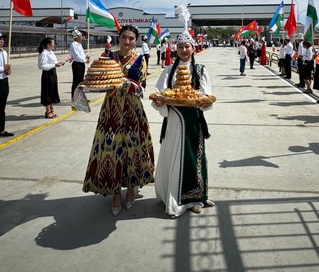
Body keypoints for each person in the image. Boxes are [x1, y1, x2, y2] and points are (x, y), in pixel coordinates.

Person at [82, 25, 155, 216]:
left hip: (132, 110)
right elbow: (99, 79)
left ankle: (131, 189)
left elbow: (142, 86)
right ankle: (115, 192)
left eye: (131, 38)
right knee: (111, 150)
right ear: (119, 38)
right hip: (111, 109)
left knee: (132, 149)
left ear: (136, 40)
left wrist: (126, 84)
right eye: (124, 37)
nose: (128, 41)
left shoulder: (140, 59)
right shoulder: (108, 57)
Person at [152, 31, 215, 218]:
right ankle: (174, 197)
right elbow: (160, 92)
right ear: (176, 49)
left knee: (193, 157)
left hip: (194, 121)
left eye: (187, 47)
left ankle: (195, 198)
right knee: (174, 155)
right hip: (174, 119)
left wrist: (204, 101)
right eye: (180, 47)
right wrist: (159, 102)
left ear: (193, 49)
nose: (184, 50)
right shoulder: (169, 70)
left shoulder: (201, 70)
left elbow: (206, 95)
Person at [38, 37, 65, 119]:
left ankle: (52, 109)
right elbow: (41, 66)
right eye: (52, 43)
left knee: (52, 91)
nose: (54, 44)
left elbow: (54, 62)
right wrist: (54, 65)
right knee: (47, 92)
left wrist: (59, 63)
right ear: (48, 44)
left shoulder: (51, 52)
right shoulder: (44, 53)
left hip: (53, 73)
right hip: (47, 74)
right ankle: (48, 111)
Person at [68, 28, 90, 104]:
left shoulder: (79, 45)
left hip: (81, 64)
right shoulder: (73, 45)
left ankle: (80, 98)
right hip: (77, 64)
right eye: (81, 36)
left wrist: (86, 57)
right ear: (77, 37)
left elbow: (81, 54)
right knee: (76, 82)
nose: (82, 37)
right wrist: (84, 60)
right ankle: (74, 98)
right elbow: (76, 56)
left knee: (80, 82)